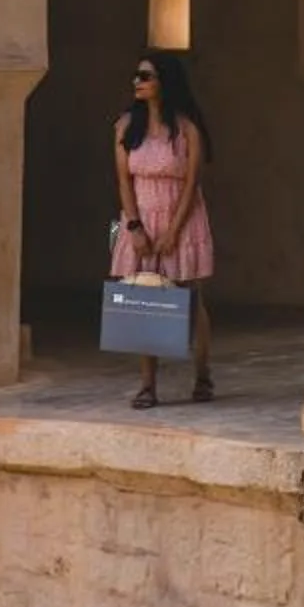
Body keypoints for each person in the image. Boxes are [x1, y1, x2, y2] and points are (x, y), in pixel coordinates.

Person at [110, 49, 215, 410]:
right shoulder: (126, 127)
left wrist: (174, 229)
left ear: (163, 82)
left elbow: (191, 183)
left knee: (189, 295)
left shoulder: (186, 130)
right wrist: (135, 226)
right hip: (141, 215)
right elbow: (123, 180)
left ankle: (202, 374)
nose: (137, 82)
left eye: (146, 76)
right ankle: (147, 385)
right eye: (137, 76)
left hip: (181, 215)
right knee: (144, 295)